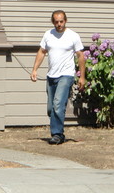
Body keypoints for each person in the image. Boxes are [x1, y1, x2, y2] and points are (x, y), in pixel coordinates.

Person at [30, 9, 86, 144]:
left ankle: (57, 134)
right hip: (51, 76)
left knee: (58, 104)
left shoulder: (73, 36)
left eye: (61, 21)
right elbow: (42, 52)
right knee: (51, 109)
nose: (59, 24)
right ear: (53, 22)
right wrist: (34, 69)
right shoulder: (48, 35)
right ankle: (58, 131)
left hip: (66, 75)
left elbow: (80, 56)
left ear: (65, 21)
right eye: (56, 22)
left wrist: (82, 77)